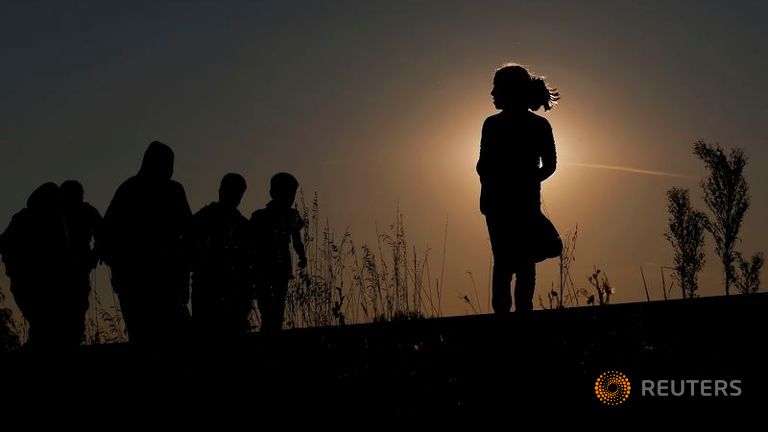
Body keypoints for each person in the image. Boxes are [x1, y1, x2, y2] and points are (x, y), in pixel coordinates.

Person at [476, 63, 560, 314]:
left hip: (511, 202)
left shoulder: (503, 125)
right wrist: (528, 179)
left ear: (509, 91)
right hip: (502, 202)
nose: (492, 94)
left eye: (496, 88)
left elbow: (550, 165)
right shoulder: (494, 125)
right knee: (515, 262)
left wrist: (527, 180)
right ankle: (515, 315)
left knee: (511, 261)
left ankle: (513, 316)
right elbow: (483, 165)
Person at [99, 141, 193, 346]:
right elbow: (107, 235)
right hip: (140, 280)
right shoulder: (135, 190)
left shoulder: (134, 189)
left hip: (162, 279)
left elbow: (189, 233)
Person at [0, 183, 70, 348]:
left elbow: (4, 241)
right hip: (38, 279)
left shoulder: (30, 219)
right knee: (44, 318)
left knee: (40, 317)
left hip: (27, 278)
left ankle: (40, 341)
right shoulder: (56, 224)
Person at [191, 173, 252, 342]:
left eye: (237, 193)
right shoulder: (205, 217)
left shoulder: (242, 225)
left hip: (231, 291)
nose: (235, 197)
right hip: (208, 288)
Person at [250, 173, 306, 333]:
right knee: (267, 307)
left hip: (280, 267)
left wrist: (302, 255)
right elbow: (253, 244)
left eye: (292, 194)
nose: (289, 198)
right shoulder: (261, 216)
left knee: (278, 307)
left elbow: (296, 238)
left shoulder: (291, 215)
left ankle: (272, 335)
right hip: (264, 267)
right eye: (287, 193)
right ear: (274, 193)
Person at [60, 180, 102, 345]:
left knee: (75, 309)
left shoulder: (86, 211)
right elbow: (103, 233)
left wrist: (94, 255)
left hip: (77, 266)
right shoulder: (83, 211)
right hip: (64, 267)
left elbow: (102, 233)